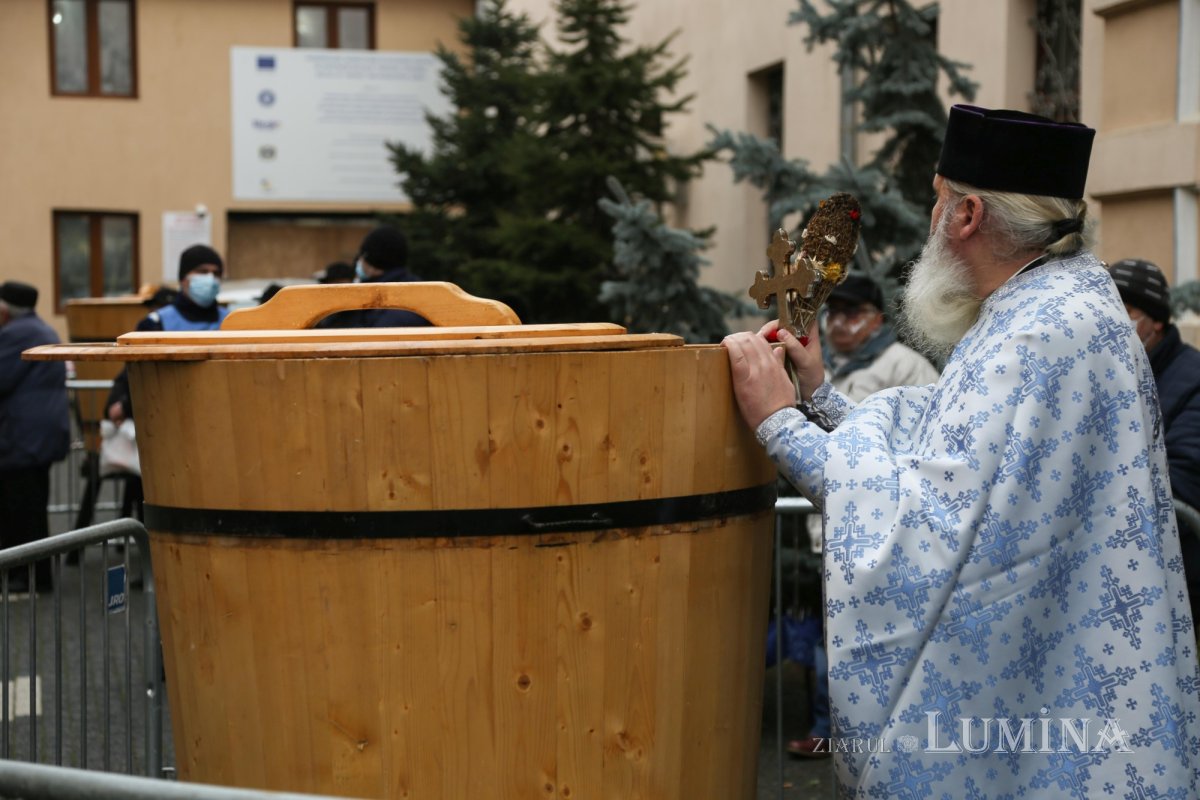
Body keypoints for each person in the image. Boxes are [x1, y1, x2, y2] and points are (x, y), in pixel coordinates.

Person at [723, 105, 1200, 795]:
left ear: (969, 214)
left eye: (937, 200)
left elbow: (917, 525)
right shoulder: (1055, 305)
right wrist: (820, 395)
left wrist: (776, 421)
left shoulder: (1040, 332)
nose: (930, 220)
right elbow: (945, 451)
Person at [788, 273, 940, 759]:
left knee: (872, 635)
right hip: (827, 524)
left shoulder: (906, 366)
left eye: (854, 315)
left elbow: (911, 448)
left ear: (877, 318)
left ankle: (873, 737)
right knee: (829, 632)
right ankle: (826, 728)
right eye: (835, 314)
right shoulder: (825, 364)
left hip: (884, 530)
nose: (841, 325)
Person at [1108, 257, 1200, 627]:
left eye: (1124, 310)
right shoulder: (1112, 373)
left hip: (1175, 574)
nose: (1113, 322)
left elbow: (1185, 480)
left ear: (1156, 320)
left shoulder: (1191, 379)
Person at [107, 244, 229, 422]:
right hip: (169, 421)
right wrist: (125, 406)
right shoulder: (155, 324)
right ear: (183, 278)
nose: (210, 279)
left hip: (222, 417)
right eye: (202, 272)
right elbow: (139, 380)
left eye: (216, 274)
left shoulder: (233, 322)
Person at [0, 281, 69, 592]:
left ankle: (27, 576)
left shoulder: (16, 334)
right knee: (32, 505)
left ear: (5, 310)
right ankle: (34, 574)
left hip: (21, 435)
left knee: (21, 507)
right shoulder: (41, 329)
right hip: (39, 434)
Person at [316, 226, 429, 328]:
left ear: (373, 264)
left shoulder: (380, 302)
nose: (359, 262)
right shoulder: (418, 291)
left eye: (362, 257)